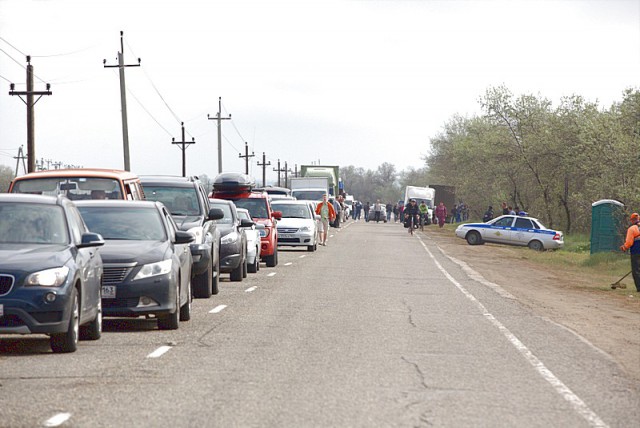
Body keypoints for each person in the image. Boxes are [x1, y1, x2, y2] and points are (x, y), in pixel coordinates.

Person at [620, 212, 640, 292]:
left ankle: (639, 288)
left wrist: (624, 248)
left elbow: (629, 243)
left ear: (632, 220)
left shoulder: (632, 229)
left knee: (636, 270)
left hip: (636, 252)